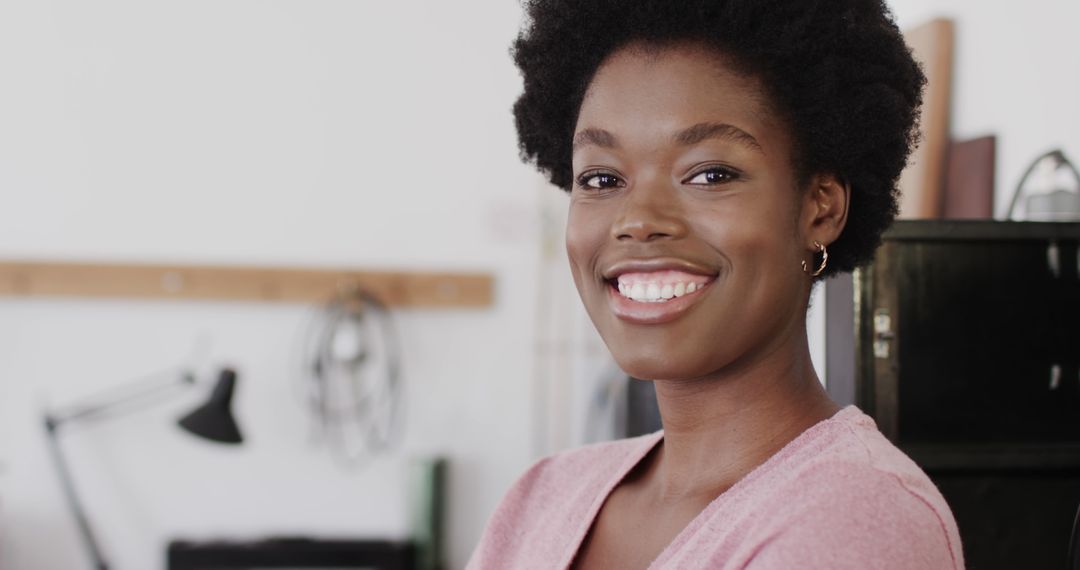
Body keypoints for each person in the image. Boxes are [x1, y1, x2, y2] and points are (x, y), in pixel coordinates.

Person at [469, 0, 963, 568]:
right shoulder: (542, 498)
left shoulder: (855, 521)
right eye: (602, 178)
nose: (637, 219)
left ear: (820, 208)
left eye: (710, 174)